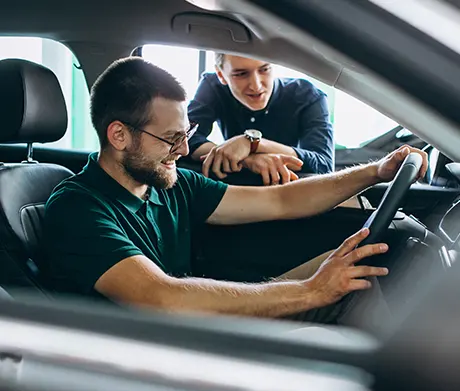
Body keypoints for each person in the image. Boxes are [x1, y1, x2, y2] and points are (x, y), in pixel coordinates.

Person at [41, 57, 427, 329]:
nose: (184, 150)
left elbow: (282, 199)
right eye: (172, 139)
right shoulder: (77, 207)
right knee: (345, 289)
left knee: (356, 267)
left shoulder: (172, 185)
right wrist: (310, 291)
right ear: (119, 136)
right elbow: (162, 298)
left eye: (187, 135)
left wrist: (376, 172)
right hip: (157, 350)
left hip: (197, 322)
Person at [187, 54, 334, 186]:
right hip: (234, 188)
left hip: (288, 190)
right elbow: (185, 139)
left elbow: (324, 166)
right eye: (241, 74)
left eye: (264, 70)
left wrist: (253, 144)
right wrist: (245, 160)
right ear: (221, 75)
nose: (256, 86)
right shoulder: (212, 86)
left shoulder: (308, 95)